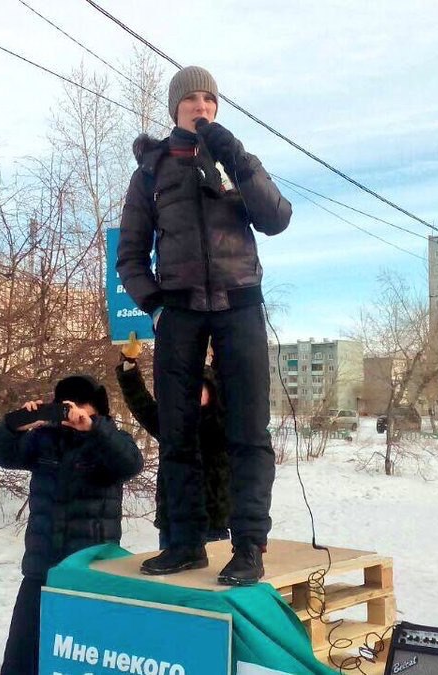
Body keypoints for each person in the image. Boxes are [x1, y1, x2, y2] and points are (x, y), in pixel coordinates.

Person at [116, 64, 292, 585]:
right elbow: (130, 254)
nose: (201, 106)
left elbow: (277, 218)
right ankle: (185, 543)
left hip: (240, 304)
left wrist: (235, 156)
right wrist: (156, 306)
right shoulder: (151, 169)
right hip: (180, 310)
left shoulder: (238, 160)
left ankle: (248, 547)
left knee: (248, 430)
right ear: (175, 108)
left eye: (209, 100)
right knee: (177, 432)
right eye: (190, 99)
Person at [0, 374, 144, 675]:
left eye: (81, 404)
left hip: (90, 572)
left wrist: (93, 430)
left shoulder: (110, 439)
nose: (73, 411)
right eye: (65, 404)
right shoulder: (44, 439)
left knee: (83, 655)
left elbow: (131, 463)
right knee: (23, 655)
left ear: (97, 408)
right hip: (41, 568)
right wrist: (14, 424)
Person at [114, 333, 230, 547]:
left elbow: (227, 384)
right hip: (172, 522)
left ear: (210, 390)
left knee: (208, 580)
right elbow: (140, 402)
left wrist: (218, 353)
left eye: (198, 388)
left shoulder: (221, 422)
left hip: (212, 524)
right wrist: (129, 363)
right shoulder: (169, 422)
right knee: (168, 580)